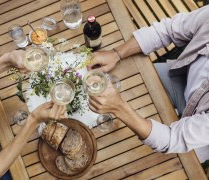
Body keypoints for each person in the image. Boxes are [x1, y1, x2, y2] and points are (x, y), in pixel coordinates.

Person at [87, 5, 209, 163]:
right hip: (180, 78)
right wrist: (116, 53)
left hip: (195, 141)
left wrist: (119, 107)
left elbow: (172, 139)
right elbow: (168, 30)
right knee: (124, 76)